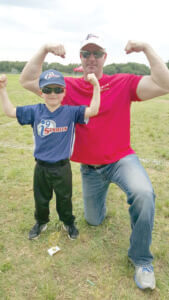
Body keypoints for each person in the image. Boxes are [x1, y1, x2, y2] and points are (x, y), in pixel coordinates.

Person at [19, 34, 169, 290]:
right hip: (90, 170)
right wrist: (44, 48)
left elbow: (164, 84)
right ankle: (102, 196)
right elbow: (27, 80)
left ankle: (142, 259)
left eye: (96, 53)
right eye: (86, 53)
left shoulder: (122, 82)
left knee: (144, 193)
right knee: (93, 220)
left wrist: (145, 47)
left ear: (104, 58)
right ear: (80, 57)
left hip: (121, 160)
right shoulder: (64, 88)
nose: (91, 58)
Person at [0, 69, 100, 240]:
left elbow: (93, 110)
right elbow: (10, 112)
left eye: (57, 89)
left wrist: (96, 86)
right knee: (41, 199)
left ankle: (68, 222)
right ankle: (41, 221)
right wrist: (2, 89)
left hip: (62, 167)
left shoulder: (70, 112)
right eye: (47, 90)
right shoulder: (35, 111)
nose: (52, 93)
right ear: (41, 92)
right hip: (41, 167)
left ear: (64, 92)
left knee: (64, 198)